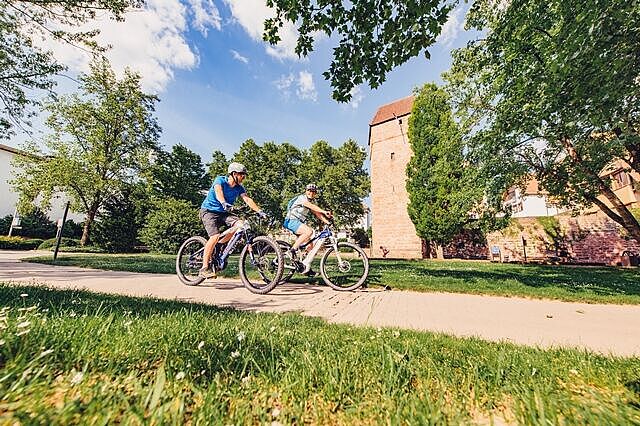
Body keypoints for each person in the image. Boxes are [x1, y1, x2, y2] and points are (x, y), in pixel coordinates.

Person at [199, 162, 266, 278]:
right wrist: (223, 203)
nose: (243, 177)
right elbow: (218, 192)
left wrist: (259, 211)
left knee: (241, 225)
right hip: (209, 211)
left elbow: (247, 199)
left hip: (224, 213)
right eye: (242, 175)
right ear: (234, 174)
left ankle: (220, 244)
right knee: (214, 236)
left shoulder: (239, 188)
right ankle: (204, 268)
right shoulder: (220, 180)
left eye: (244, 175)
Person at [283, 183, 332, 266]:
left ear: (315, 193)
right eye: (309, 191)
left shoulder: (310, 202)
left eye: (313, 192)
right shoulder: (302, 198)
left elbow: (317, 214)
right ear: (306, 191)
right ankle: (291, 251)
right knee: (309, 231)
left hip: (298, 223)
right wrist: (324, 211)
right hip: (291, 221)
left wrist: (328, 222)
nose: (311, 193)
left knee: (310, 246)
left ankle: (305, 266)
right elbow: (311, 206)